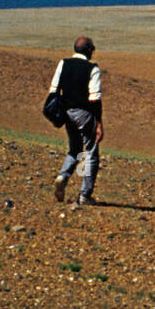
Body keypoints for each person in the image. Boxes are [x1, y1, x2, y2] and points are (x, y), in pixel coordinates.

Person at [50, 36, 104, 206]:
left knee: (74, 148)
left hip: (67, 113)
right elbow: (95, 99)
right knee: (91, 153)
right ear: (89, 50)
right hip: (85, 114)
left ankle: (63, 176)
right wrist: (99, 124)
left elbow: (54, 90)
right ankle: (84, 195)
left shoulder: (63, 63)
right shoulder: (92, 69)